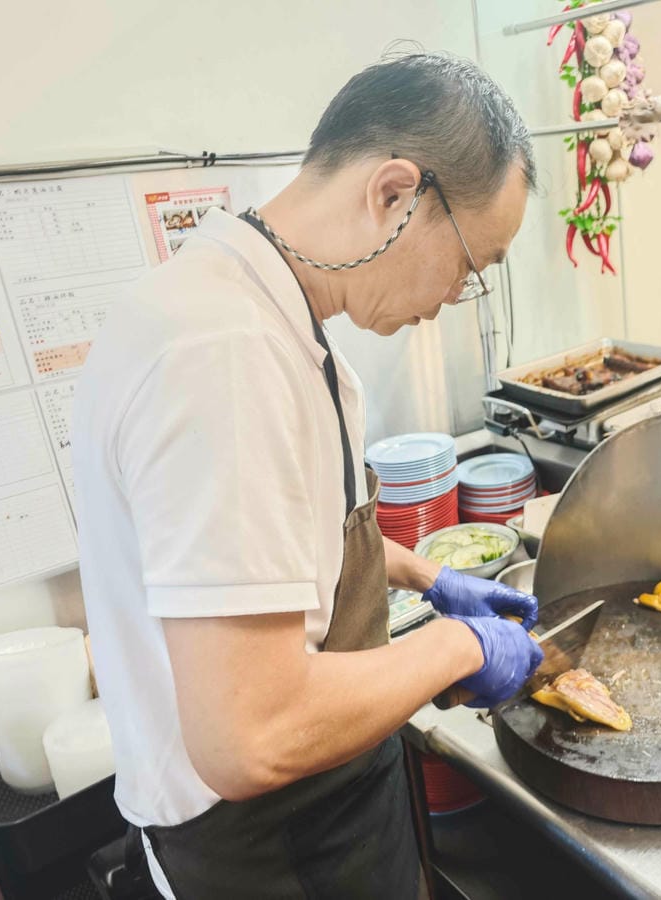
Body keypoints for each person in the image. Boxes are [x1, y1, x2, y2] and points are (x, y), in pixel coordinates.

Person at [73, 54, 544, 900]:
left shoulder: (267, 316)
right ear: (396, 195)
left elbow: (289, 552)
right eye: (474, 262)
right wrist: (456, 646)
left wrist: (429, 577)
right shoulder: (220, 355)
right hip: (273, 844)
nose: (457, 293)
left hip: (332, 800)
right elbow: (251, 733)